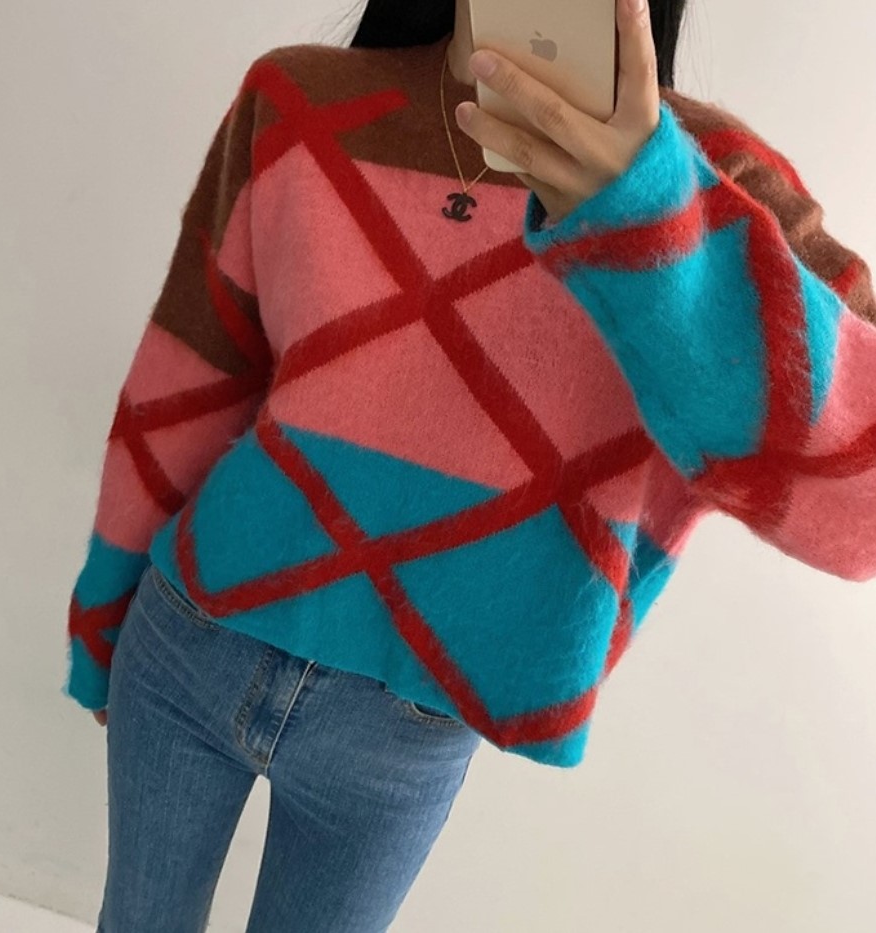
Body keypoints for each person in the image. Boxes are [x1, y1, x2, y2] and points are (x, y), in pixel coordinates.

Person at [65, 0, 876, 930]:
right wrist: (101, 622)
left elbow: (860, 508)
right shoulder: (297, 98)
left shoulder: (721, 180)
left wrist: (649, 216)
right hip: (186, 643)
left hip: (400, 737)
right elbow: (187, 379)